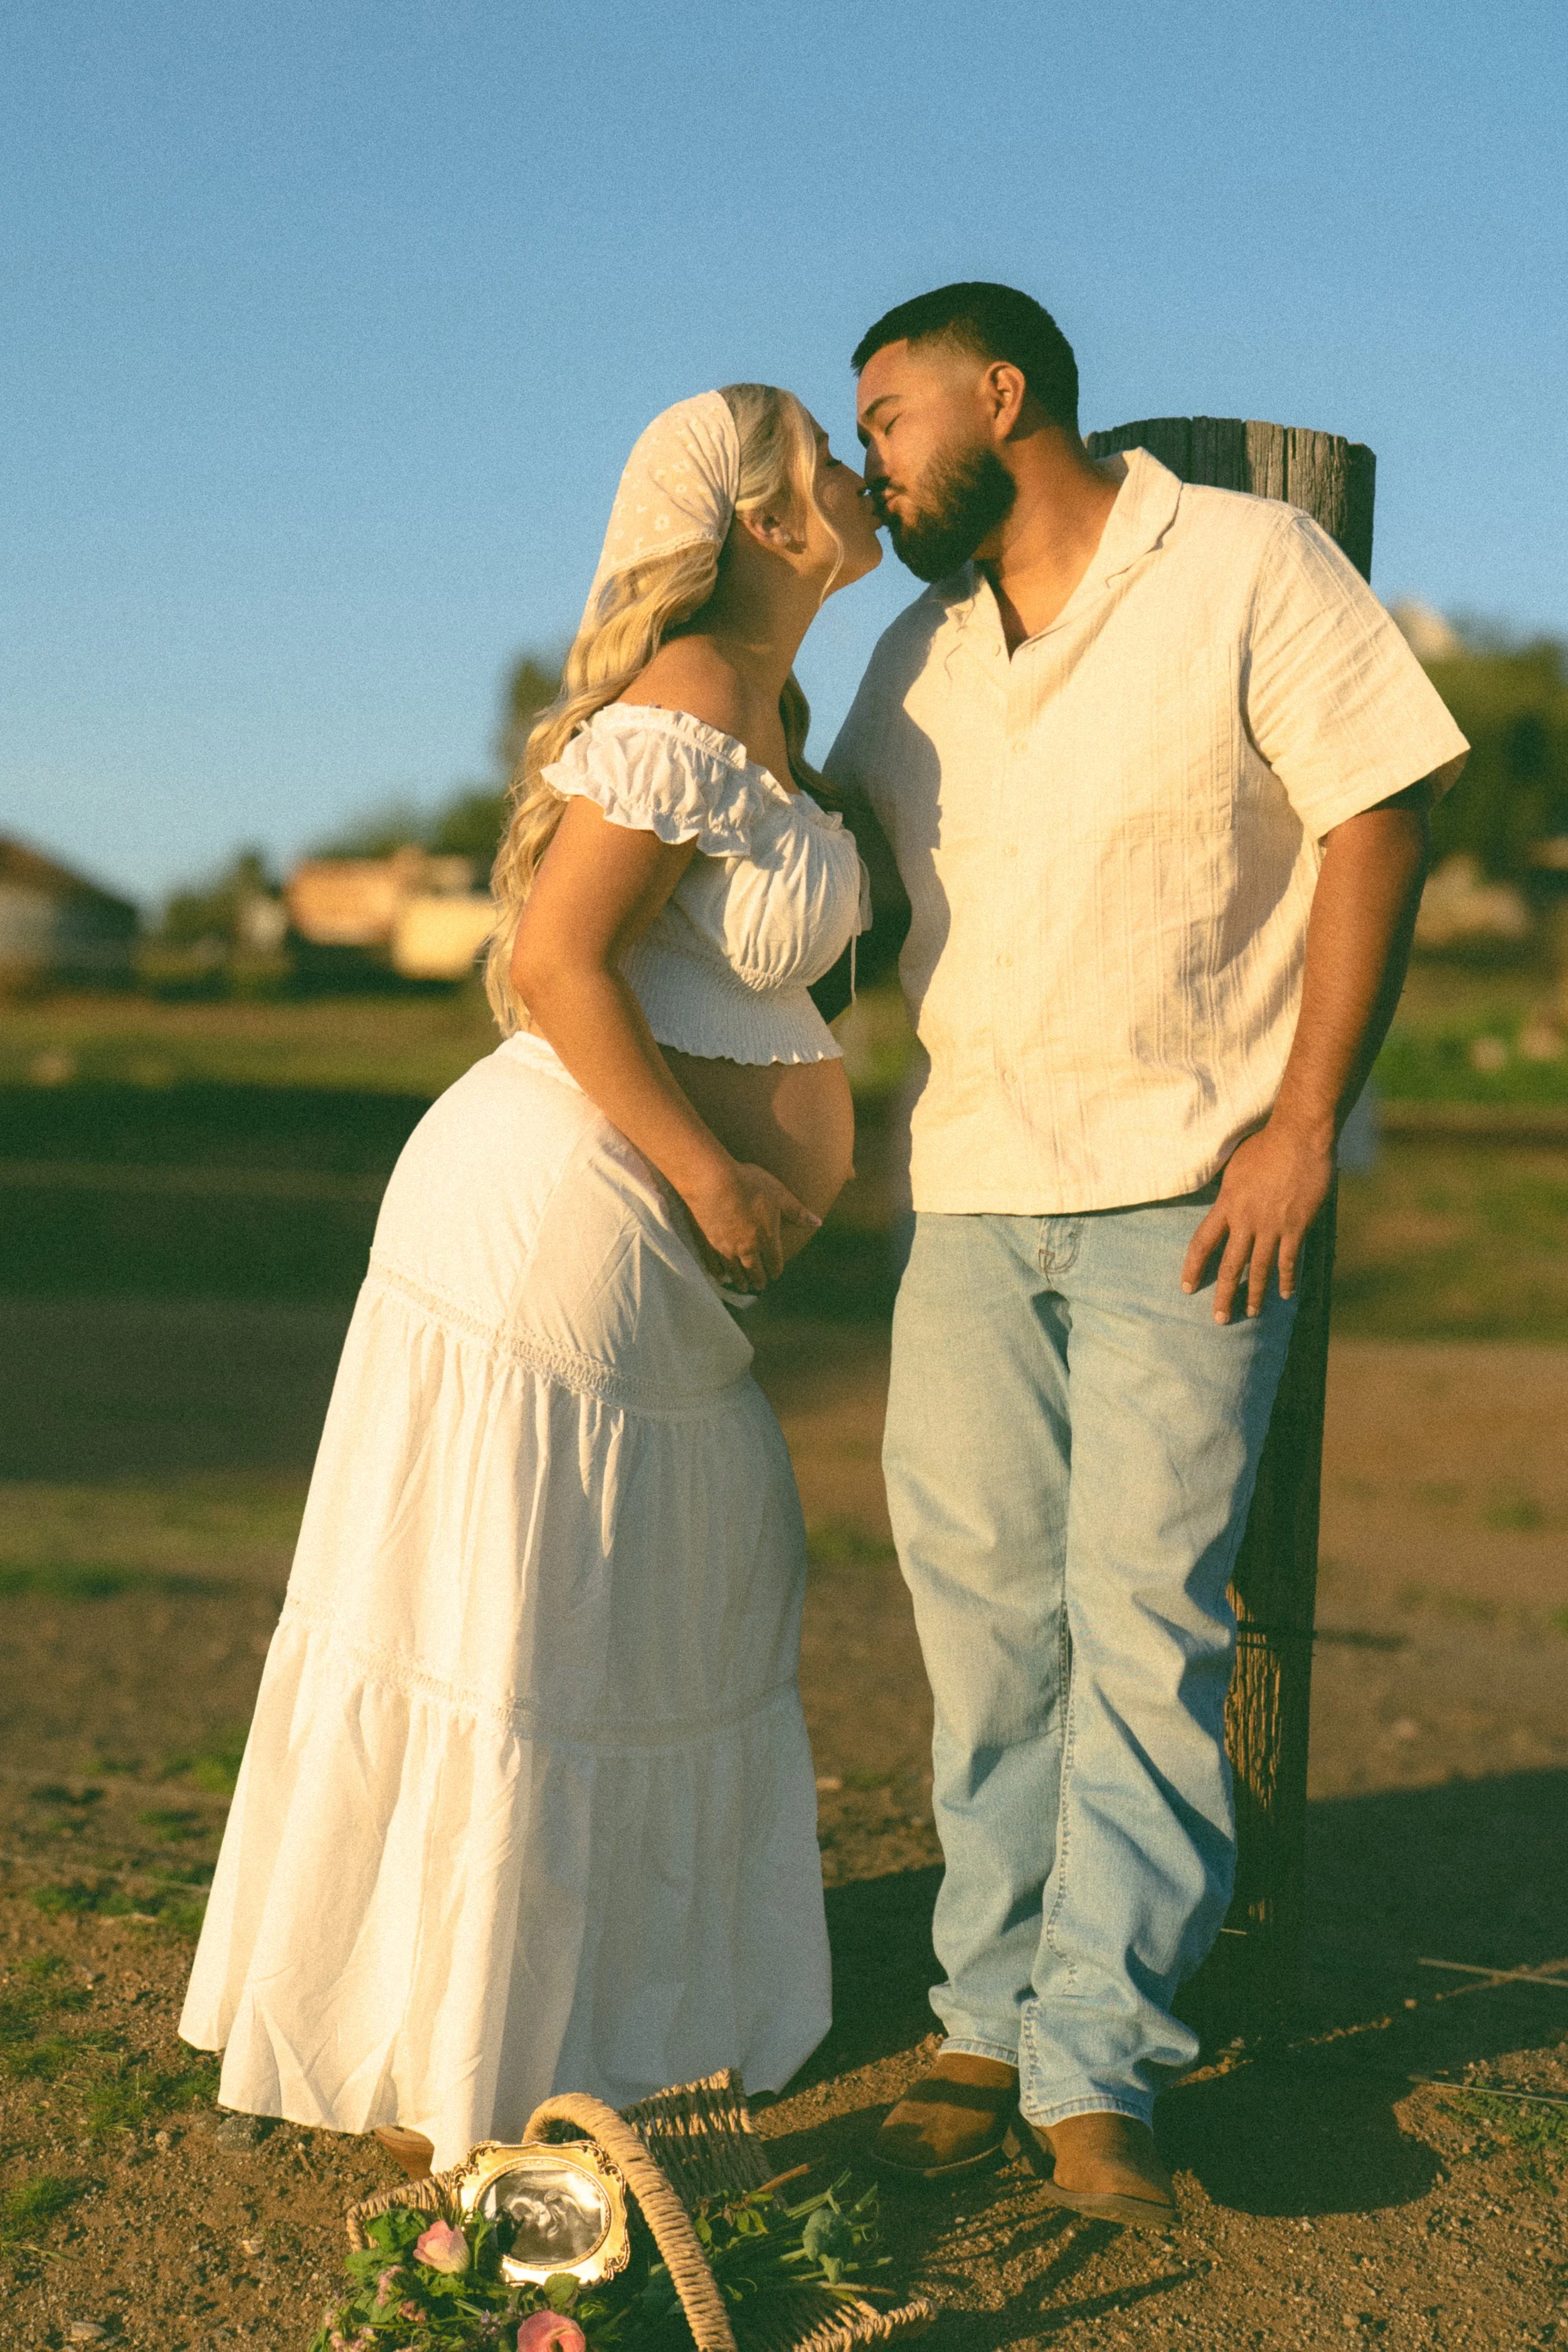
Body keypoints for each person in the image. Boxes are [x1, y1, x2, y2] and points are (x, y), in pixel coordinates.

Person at [180, 384, 883, 2173]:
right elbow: (559, 961)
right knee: (539, 1612)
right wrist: (715, 1170)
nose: (863, 469)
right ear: (766, 519)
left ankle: (597, 2007)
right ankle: (475, 2040)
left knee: (661, 1595)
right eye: (829, 451)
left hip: (630, 1219)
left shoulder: (772, 710)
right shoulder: (697, 694)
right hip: (565, 1202)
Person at [827, 283, 1468, 2223]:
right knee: (981, 1635)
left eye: (886, 416)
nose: (871, 460)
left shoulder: (1244, 556)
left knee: (1144, 1623)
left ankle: (1098, 2060)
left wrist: (1301, 1126)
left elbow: (1379, 814)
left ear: (998, 390)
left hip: (1189, 1191)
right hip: (965, 1193)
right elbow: (827, 893)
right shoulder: (912, 657)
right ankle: (979, 2021)